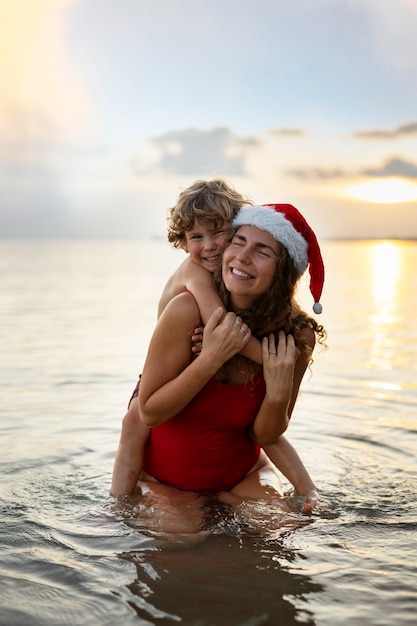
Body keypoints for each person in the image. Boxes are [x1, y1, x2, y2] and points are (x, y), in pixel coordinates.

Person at [112, 201, 326, 518]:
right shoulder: (187, 309)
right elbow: (149, 414)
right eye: (238, 242)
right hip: (164, 481)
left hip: (245, 477)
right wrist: (210, 358)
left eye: (262, 251)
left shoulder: (297, 337)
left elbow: (266, 436)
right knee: (181, 539)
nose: (241, 256)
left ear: (283, 272)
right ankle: (116, 509)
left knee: (277, 527)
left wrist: (278, 394)